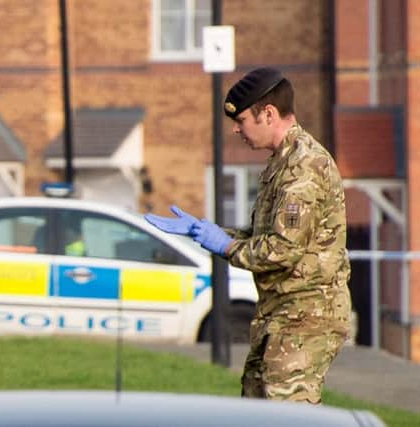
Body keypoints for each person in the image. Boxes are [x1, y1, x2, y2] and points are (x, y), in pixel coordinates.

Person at [144, 67, 352, 404]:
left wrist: (224, 245)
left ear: (268, 113)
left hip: (306, 316)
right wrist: (204, 231)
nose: (237, 129)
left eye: (241, 120)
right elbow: (263, 235)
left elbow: (281, 250)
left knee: (285, 413)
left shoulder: (303, 168)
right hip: (280, 314)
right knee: (255, 406)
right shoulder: (281, 163)